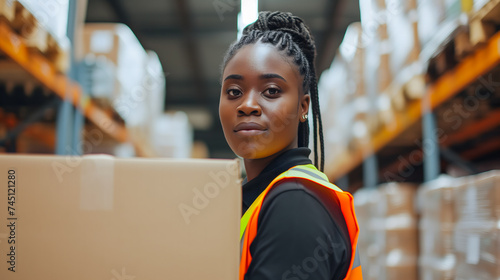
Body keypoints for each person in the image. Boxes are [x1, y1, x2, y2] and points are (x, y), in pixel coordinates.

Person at [218, 11, 362, 280]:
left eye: (271, 90)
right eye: (234, 92)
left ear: (303, 106)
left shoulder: (295, 203)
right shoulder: (259, 198)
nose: (247, 105)